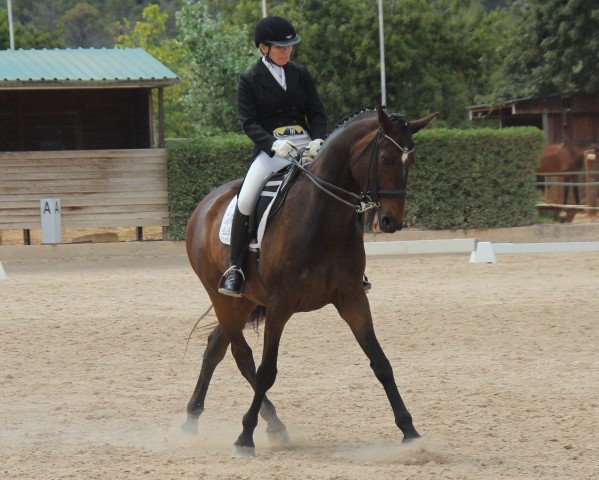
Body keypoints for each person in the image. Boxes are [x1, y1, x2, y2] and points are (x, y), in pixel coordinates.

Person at [218, 15, 327, 297]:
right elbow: (249, 122)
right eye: (280, 47)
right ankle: (236, 269)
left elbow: (316, 111)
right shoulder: (249, 79)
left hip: (305, 145)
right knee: (245, 199)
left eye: (289, 47)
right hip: (272, 149)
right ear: (263, 48)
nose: (286, 51)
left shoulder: (300, 74)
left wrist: (317, 140)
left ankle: (349, 265)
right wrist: (273, 145)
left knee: (338, 185)